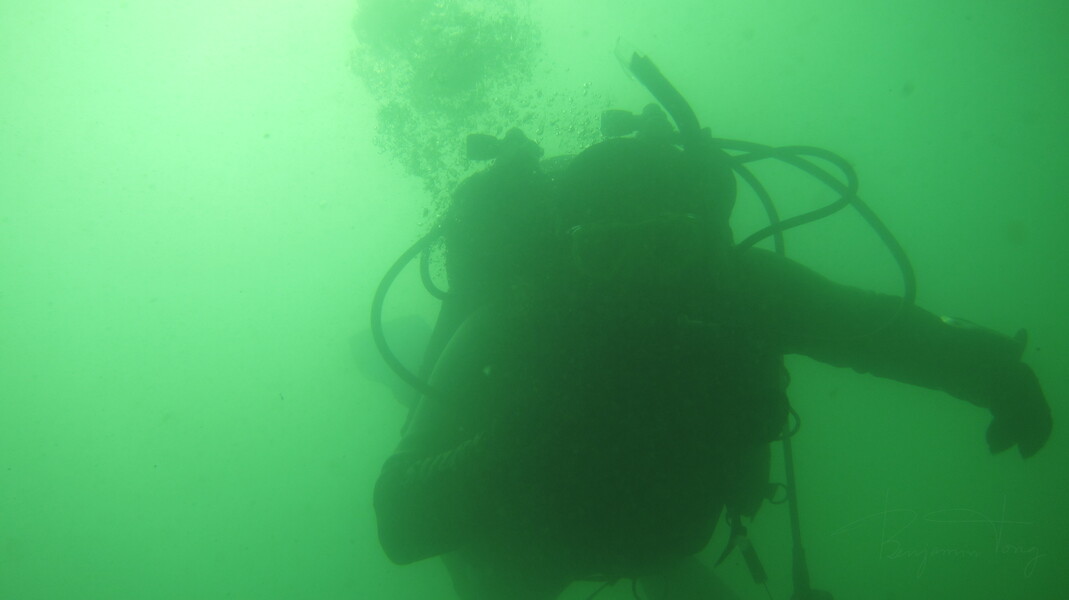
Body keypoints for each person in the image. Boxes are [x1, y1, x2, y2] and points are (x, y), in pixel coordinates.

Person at [371, 57, 1052, 600]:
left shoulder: (736, 291)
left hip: (666, 537)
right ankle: (403, 379)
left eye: (666, 244)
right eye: (606, 251)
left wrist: (991, 369)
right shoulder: (520, 318)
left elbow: (868, 330)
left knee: (658, 561)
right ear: (570, 258)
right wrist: (516, 443)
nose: (640, 278)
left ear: (702, 243)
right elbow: (400, 523)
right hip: (525, 554)